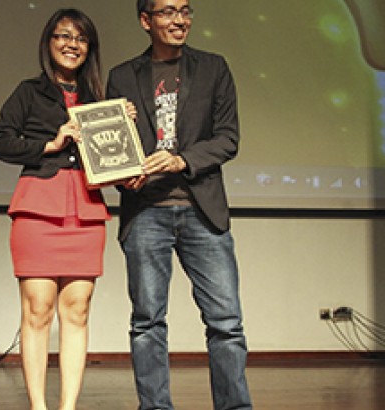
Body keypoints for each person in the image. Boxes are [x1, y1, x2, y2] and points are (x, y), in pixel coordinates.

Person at [106, 1, 253, 409]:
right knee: (147, 323)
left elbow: (227, 138)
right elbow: (116, 149)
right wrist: (123, 174)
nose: (180, 19)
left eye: (186, 10)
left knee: (226, 323)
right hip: (146, 211)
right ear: (145, 20)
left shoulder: (213, 68)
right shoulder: (122, 76)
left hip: (201, 209)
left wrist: (181, 160)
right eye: (168, 11)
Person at [0, 9, 109, 410]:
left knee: (76, 310)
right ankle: (39, 407)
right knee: (38, 309)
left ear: (89, 48)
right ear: (49, 42)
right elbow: (0, 142)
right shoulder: (28, 92)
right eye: (63, 36)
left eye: (80, 39)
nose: (71, 44)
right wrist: (49, 145)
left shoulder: (101, 100)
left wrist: (121, 132)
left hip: (87, 210)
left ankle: (68, 407)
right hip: (38, 208)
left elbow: (114, 165)